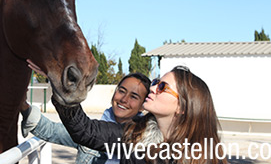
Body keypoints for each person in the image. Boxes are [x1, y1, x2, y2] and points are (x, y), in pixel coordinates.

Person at [51, 66, 226, 164]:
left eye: (162, 87)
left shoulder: (204, 158)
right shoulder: (133, 134)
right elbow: (85, 130)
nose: (152, 88)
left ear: (182, 107)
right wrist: (61, 81)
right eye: (156, 82)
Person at [21, 60, 151, 164]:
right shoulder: (91, 131)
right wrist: (21, 104)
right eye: (122, 91)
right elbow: (51, 130)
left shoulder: (147, 144)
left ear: (143, 106)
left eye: (134, 96)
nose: (124, 99)